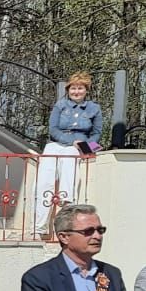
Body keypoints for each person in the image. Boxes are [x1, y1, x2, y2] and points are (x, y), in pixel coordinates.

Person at [34, 72, 102, 238]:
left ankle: (66, 203)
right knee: (45, 179)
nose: (76, 92)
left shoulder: (94, 108)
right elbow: (53, 129)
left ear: (86, 90)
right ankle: (39, 225)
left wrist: (86, 148)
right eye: (73, 88)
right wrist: (71, 141)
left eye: (80, 88)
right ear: (68, 90)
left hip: (77, 147)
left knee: (70, 169)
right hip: (57, 143)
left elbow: (97, 133)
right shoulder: (60, 105)